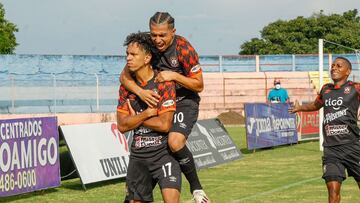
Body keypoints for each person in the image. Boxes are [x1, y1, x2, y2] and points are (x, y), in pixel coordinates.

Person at [120, 12, 210, 203]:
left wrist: (174, 76)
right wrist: (141, 92)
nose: (158, 40)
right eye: (154, 35)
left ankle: (197, 189)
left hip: (185, 100)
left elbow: (199, 85)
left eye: (163, 35)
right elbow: (124, 77)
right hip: (160, 99)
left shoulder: (184, 48)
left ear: (173, 32)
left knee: (175, 142)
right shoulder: (147, 46)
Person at [117, 32, 181, 203]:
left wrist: (136, 118)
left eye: (133, 54)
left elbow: (164, 124)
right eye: (127, 54)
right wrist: (145, 114)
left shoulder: (163, 83)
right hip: (138, 157)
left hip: (163, 155)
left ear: (146, 58)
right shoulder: (126, 88)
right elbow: (122, 126)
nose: (128, 59)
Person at [288, 57, 360, 203]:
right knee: (333, 191)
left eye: (339, 66)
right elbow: (316, 105)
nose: (334, 68)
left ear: (348, 71)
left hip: (353, 147)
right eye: (332, 65)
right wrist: (300, 107)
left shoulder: (355, 87)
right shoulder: (326, 89)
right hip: (331, 150)